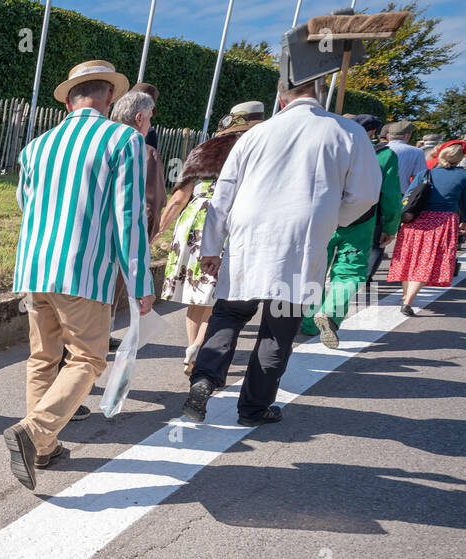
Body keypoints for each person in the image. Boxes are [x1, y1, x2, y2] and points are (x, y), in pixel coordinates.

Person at [180, 76, 379, 427]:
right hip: (300, 244)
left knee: (228, 315)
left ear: (280, 96)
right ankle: (254, 408)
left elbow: (222, 195)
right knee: (278, 328)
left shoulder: (255, 134)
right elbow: (365, 194)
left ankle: (204, 378)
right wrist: (331, 220)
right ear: (318, 91)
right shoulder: (347, 132)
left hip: (247, 241)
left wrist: (211, 246)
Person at [5, 60, 154, 489]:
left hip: (35, 265)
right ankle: (34, 435)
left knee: (42, 358)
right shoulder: (124, 139)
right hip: (84, 271)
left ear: (69, 98)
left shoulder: (36, 147)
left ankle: (46, 449)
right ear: (109, 96)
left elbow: (25, 204)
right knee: (88, 358)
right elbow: (129, 219)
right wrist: (141, 284)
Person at [156, 101, 264, 375]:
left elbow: (178, 197)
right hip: (228, 221)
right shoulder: (254, 151)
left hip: (193, 221)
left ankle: (192, 350)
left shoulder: (202, 149)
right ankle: (200, 350)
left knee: (195, 294)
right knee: (218, 295)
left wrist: (158, 231)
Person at [301, 114, 402, 348]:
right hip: (361, 220)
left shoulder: (327, 147)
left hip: (323, 217)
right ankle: (330, 313)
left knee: (314, 269)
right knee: (349, 272)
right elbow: (390, 194)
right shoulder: (384, 155)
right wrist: (389, 225)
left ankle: (308, 321)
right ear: (373, 133)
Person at [387, 144, 466, 316]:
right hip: (443, 221)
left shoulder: (425, 173)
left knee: (410, 259)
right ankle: (407, 301)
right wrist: (465, 220)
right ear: (460, 158)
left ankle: (406, 295)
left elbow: (408, 198)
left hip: (416, 220)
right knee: (427, 260)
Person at [111, 90, 167, 237]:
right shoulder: (146, 152)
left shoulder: (97, 142)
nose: (149, 127)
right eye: (149, 119)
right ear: (140, 118)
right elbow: (152, 204)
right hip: (125, 239)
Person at [383, 120, 427, 192]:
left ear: (389, 135)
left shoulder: (378, 150)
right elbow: (419, 179)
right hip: (402, 195)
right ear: (407, 135)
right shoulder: (417, 152)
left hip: (377, 195)